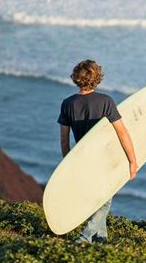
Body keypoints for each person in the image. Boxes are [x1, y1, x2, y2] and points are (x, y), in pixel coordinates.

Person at [58, 59, 138, 243]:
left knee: (97, 199)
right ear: (97, 78)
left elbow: (64, 139)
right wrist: (132, 160)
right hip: (104, 159)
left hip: (81, 158)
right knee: (104, 201)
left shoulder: (68, 104)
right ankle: (84, 237)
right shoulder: (105, 101)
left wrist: (68, 163)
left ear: (76, 78)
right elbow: (122, 132)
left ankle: (100, 240)